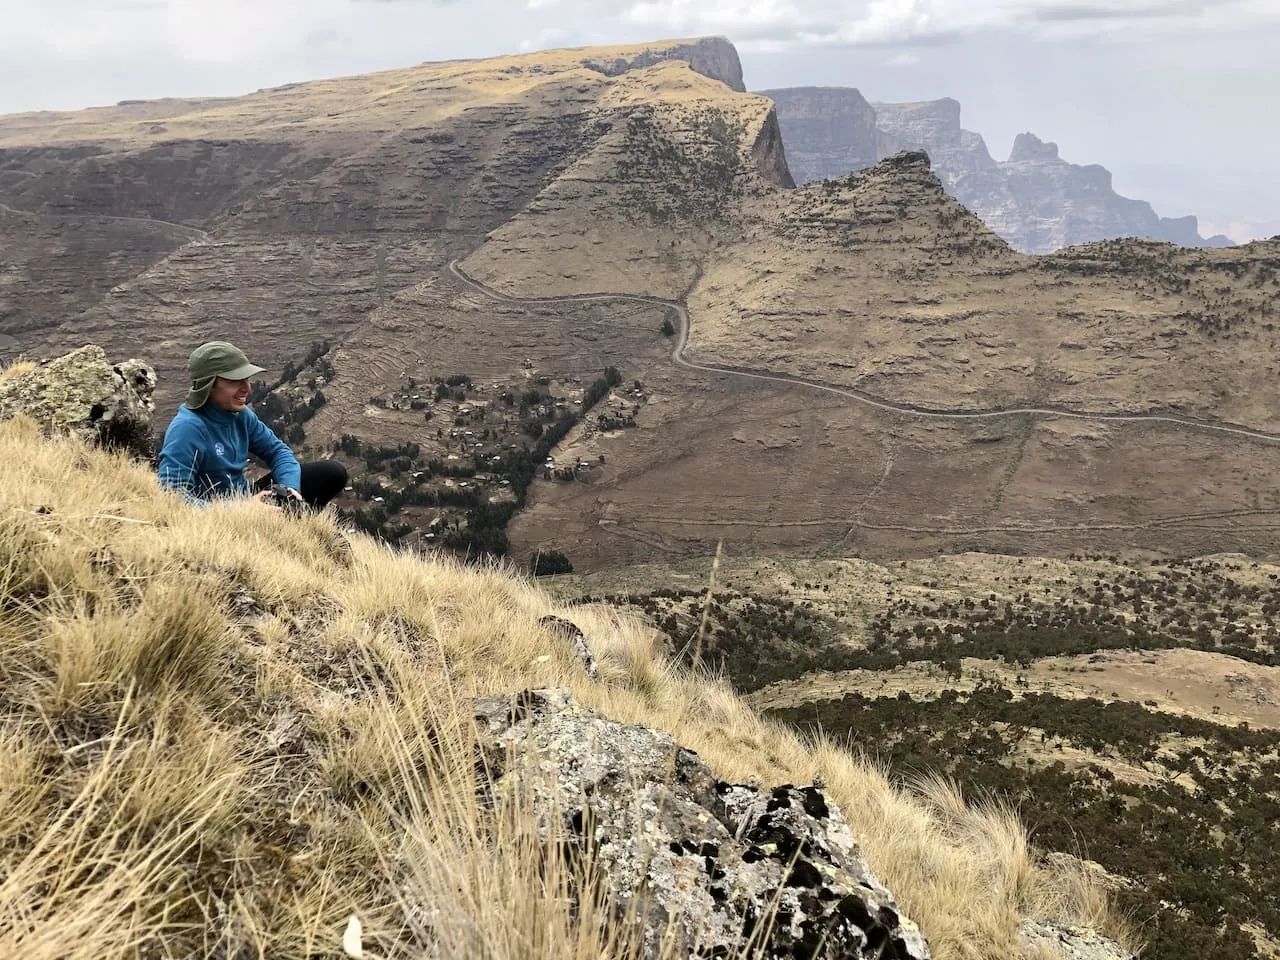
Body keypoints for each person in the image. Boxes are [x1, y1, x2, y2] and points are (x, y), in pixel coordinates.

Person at [157, 341, 347, 511]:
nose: (247, 388)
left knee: (332, 473)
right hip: (216, 516)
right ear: (208, 385)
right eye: (235, 381)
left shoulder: (240, 415)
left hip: (245, 501)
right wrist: (242, 509)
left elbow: (278, 452)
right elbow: (173, 499)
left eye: (246, 379)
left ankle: (296, 522)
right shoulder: (187, 429)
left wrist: (290, 491)